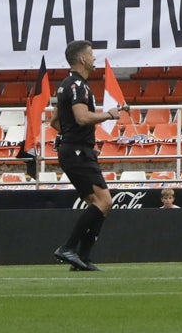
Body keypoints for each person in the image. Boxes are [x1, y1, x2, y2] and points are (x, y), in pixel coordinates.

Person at [50, 39, 129, 272]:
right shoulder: (79, 86)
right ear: (82, 59)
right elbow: (83, 117)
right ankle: (68, 248)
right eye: (92, 54)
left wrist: (79, 138)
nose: (94, 58)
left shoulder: (66, 84)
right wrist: (109, 114)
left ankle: (82, 258)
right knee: (104, 201)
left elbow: (55, 121)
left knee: (97, 204)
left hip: (75, 148)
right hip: (76, 151)